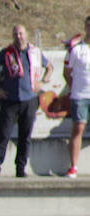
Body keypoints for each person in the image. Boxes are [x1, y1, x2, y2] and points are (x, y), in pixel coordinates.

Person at [0, 25, 53, 178]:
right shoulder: (7, 53)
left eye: (21, 33)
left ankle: (20, 168)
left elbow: (49, 67)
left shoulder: (35, 52)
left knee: (25, 136)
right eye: (15, 34)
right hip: (9, 100)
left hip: (29, 99)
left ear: (26, 34)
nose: (19, 36)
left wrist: (43, 82)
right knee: (3, 134)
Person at [64, 16, 90, 178]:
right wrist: (75, 87)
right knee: (78, 128)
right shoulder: (77, 49)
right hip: (80, 95)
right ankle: (73, 166)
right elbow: (67, 72)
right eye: (89, 25)